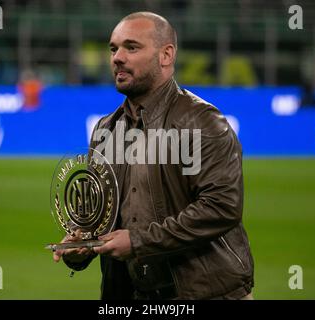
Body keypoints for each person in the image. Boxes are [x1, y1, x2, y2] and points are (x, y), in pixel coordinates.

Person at [52, 11, 254, 300]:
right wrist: (82, 243)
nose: (117, 57)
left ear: (166, 55)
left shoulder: (202, 122)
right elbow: (98, 215)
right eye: (113, 48)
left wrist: (138, 241)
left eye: (131, 48)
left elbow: (221, 208)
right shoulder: (104, 130)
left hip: (206, 293)